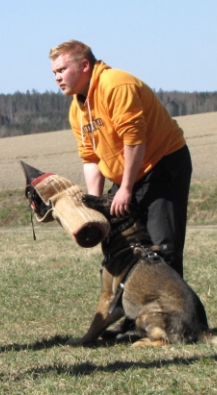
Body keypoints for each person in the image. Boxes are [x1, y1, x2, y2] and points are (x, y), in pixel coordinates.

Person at [49, 40, 192, 278]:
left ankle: (174, 314)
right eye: (54, 72)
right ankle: (135, 311)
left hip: (161, 165)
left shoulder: (115, 84)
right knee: (123, 247)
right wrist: (93, 205)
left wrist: (125, 189)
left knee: (162, 249)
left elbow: (134, 139)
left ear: (84, 65)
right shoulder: (78, 110)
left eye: (62, 70)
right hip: (129, 173)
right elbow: (91, 157)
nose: (57, 77)